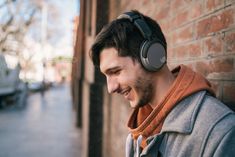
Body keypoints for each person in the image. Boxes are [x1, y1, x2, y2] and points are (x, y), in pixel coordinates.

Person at [90, 10, 235, 157]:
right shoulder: (138, 133)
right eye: (106, 76)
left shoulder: (219, 133)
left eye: (115, 71)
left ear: (152, 57)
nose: (110, 88)